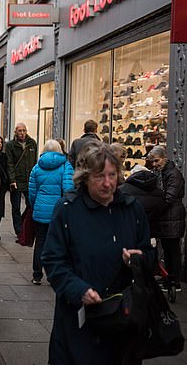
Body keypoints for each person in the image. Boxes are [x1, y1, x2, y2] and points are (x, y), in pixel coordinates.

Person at [41, 141, 153, 364]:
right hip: (78, 322)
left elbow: (149, 254)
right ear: (85, 177)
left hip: (121, 320)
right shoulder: (67, 210)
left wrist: (137, 260)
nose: (107, 183)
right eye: (99, 176)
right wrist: (78, 289)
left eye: (112, 175)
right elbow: (53, 260)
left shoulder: (133, 209)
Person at [28, 140, 74, 285]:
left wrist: (35, 205)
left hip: (41, 210)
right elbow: (68, 189)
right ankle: (53, 274)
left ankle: (37, 274)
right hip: (58, 212)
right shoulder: (66, 166)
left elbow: (32, 192)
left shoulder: (37, 167)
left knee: (40, 242)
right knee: (58, 243)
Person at [147, 145, 186, 292]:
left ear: (164, 158)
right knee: (168, 249)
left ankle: (174, 281)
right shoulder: (162, 173)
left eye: (157, 161)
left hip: (172, 216)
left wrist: (156, 206)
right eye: (153, 162)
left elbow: (170, 196)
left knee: (172, 249)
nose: (155, 164)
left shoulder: (173, 174)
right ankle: (170, 278)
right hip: (167, 217)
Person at [6, 123, 38, 239]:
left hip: (29, 180)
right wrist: (12, 180)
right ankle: (19, 231)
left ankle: (23, 225)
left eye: (24, 130)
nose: (22, 133)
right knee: (16, 207)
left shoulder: (32, 143)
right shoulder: (10, 145)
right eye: (20, 131)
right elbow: (9, 163)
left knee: (30, 205)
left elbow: (35, 162)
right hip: (17, 180)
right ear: (15, 132)